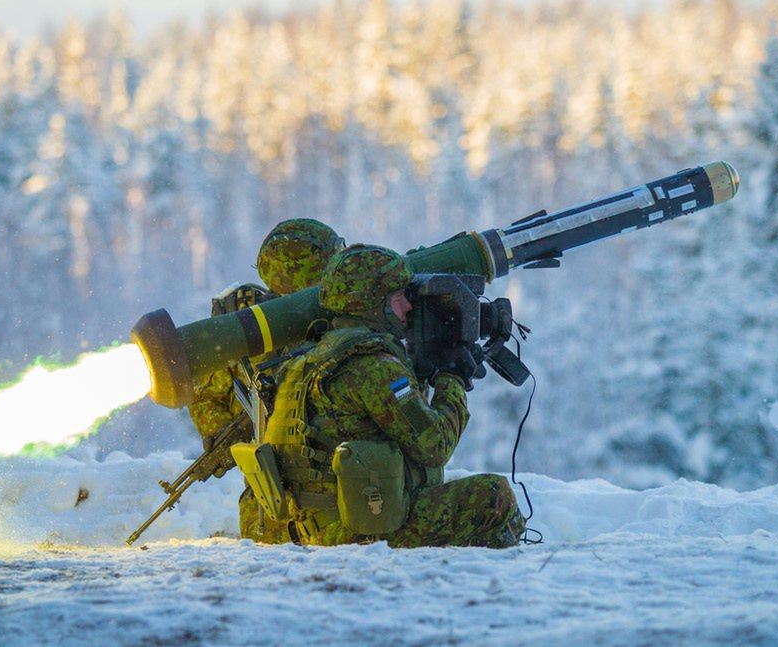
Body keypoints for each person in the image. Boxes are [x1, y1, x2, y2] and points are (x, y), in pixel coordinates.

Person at [259, 244, 525, 547]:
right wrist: (453, 379)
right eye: (399, 299)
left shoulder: (307, 358)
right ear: (375, 305)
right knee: (493, 495)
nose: (408, 309)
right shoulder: (372, 366)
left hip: (306, 524)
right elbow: (435, 444)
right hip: (351, 530)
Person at [187, 218, 345, 543]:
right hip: (331, 516)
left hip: (274, 518)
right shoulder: (254, 328)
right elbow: (207, 397)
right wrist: (231, 438)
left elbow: (204, 395)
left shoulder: (246, 327)